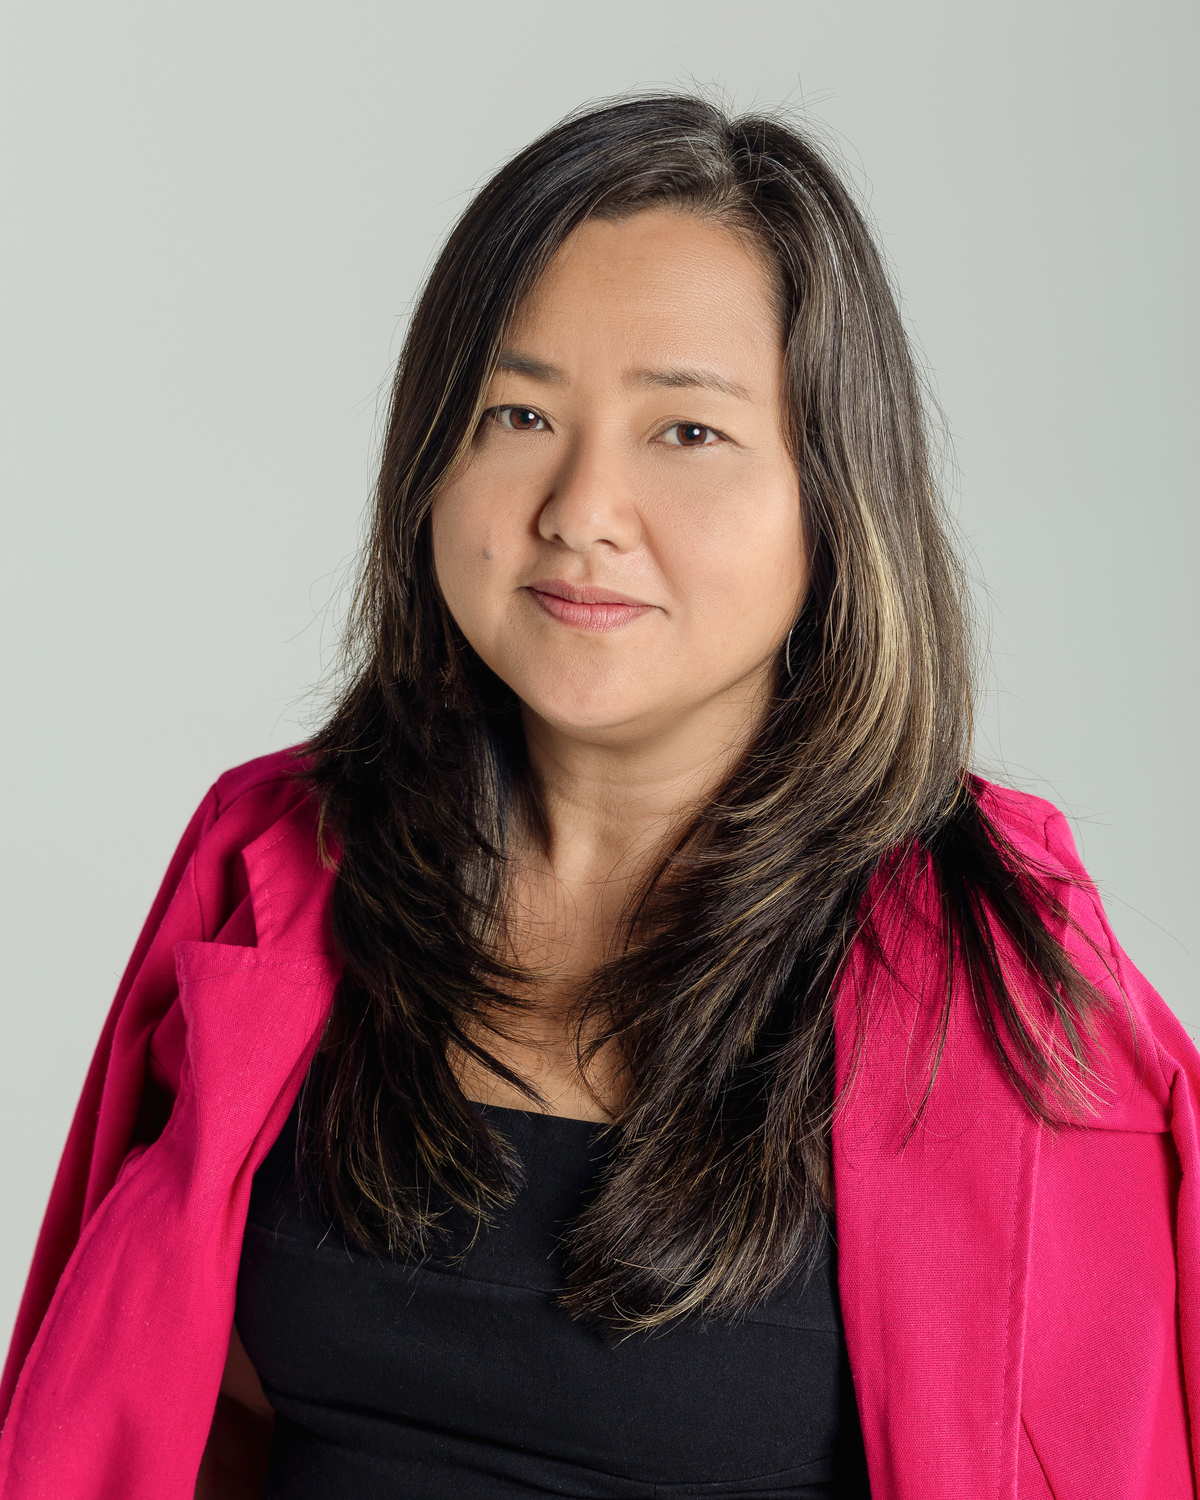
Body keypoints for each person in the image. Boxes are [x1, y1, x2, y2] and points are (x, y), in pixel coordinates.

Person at [0, 93, 1194, 1500]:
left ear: (832, 499)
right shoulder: (277, 861)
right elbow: (136, 1406)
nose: (579, 510)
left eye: (685, 431)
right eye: (518, 414)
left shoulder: (1005, 976)